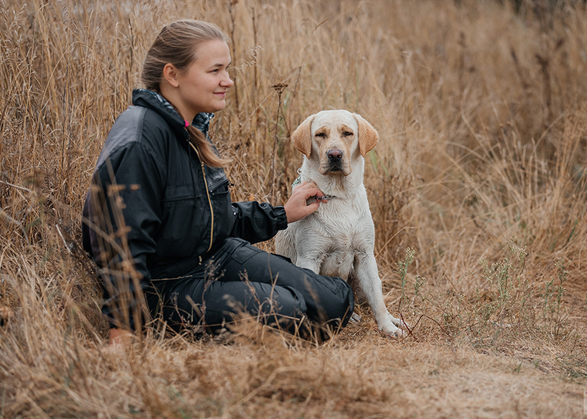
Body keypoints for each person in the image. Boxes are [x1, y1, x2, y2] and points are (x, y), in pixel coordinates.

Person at [82, 19, 354, 343]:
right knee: (289, 309)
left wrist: (282, 214)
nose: (229, 80)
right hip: (170, 283)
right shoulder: (142, 139)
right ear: (172, 75)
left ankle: (285, 315)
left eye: (227, 69)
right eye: (215, 71)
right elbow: (121, 245)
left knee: (334, 299)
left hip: (219, 255)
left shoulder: (192, 128)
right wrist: (124, 328)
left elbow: (212, 219)